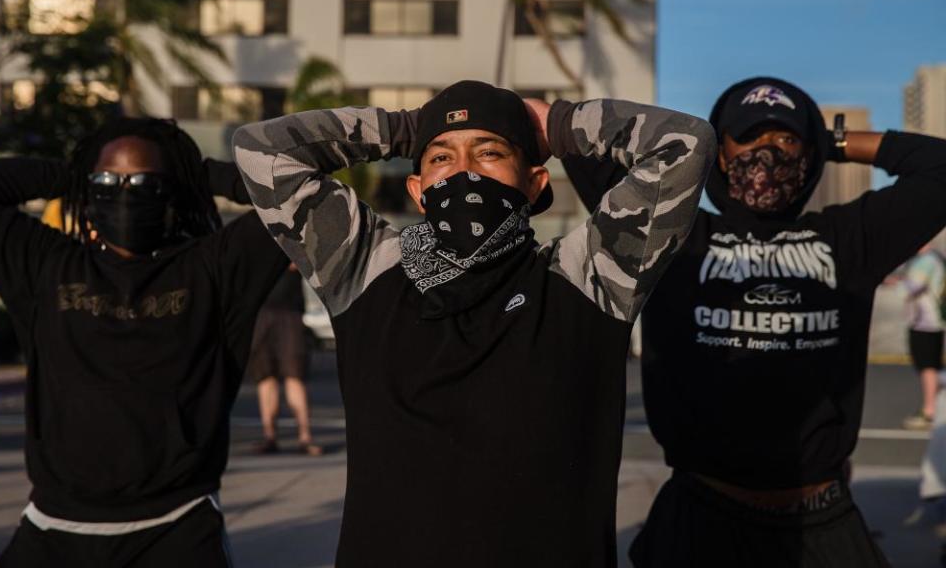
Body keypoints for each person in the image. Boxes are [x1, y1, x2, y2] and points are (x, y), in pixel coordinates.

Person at [233, 80, 715, 565]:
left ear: (535, 183)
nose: (463, 172)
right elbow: (261, 149)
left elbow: (684, 144)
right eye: (441, 158)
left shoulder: (589, 279)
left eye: (489, 153)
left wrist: (560, 126)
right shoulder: (364, 272)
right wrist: (405, 129)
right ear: (418, 191)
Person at [564, 76, 946, 567]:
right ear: (719, 153)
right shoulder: (672, 235)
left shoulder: (850, 238)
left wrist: (829, 141)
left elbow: (939, 168)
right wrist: (690, 145)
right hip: (700, 520)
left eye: (786, 139)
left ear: (809, 155)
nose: (767, 152)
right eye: (748, 136)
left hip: (821, 523)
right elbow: (580, 144)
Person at [0, 117, 289, 567]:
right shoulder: (46, 267)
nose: (124, 190)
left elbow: (297, 192)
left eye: (144, 180)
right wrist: (73, 173)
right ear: (89, 192)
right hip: (54, 532)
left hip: (175, 529)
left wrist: (194, 174)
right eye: (108, 180)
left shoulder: (212, 269)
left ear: (170, 193)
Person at [248, 263, 323, 455]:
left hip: (289, 311)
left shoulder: (289, 235)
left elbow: (301, 263)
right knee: (265, 377)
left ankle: (305, 437)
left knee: (294, 375)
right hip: (259, 311)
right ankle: (269, 436)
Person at [902, 244, 946, 430]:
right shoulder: (935, 258)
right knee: (932, 364)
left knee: (927, 365)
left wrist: (895, 280)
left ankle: (929, 412)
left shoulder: (926, 260)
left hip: (926, 322)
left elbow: (912, 286)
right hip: (931, 321)